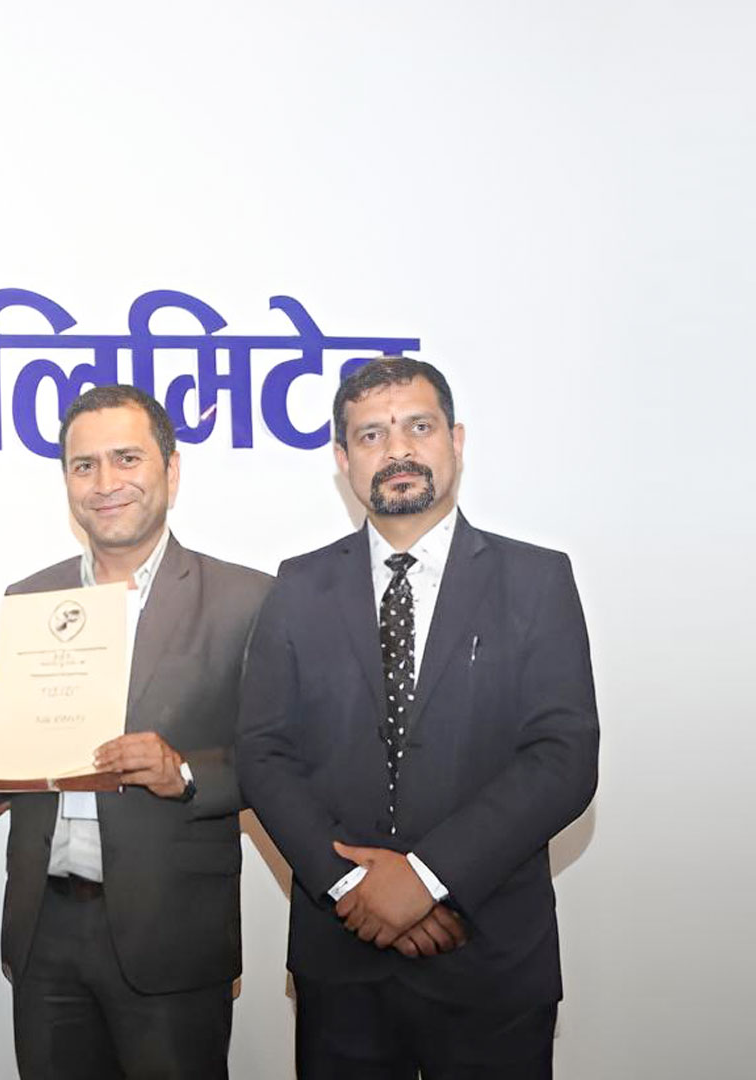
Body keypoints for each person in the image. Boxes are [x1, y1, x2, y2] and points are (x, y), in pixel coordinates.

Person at [0, 384, 269, 1078]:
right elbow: (22, 744)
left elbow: (280, 761)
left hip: (172, 935)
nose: (105, 482)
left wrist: (183, 773)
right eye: (84, 465)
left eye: (127, 458)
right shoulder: (34, 596)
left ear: (172, 470)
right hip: (47, 931)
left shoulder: (246, 599)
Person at [237, 356, 599, 1079]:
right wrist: (355, 889)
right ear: (343, 459)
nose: (397, 450)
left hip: (490, 957)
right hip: (343, 963)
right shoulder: (298, 585)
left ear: (455, 441)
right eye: (371, 435)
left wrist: (428, 878)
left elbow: (562, 758)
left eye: (418, 427)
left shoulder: (537, 579)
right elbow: (263, 752)